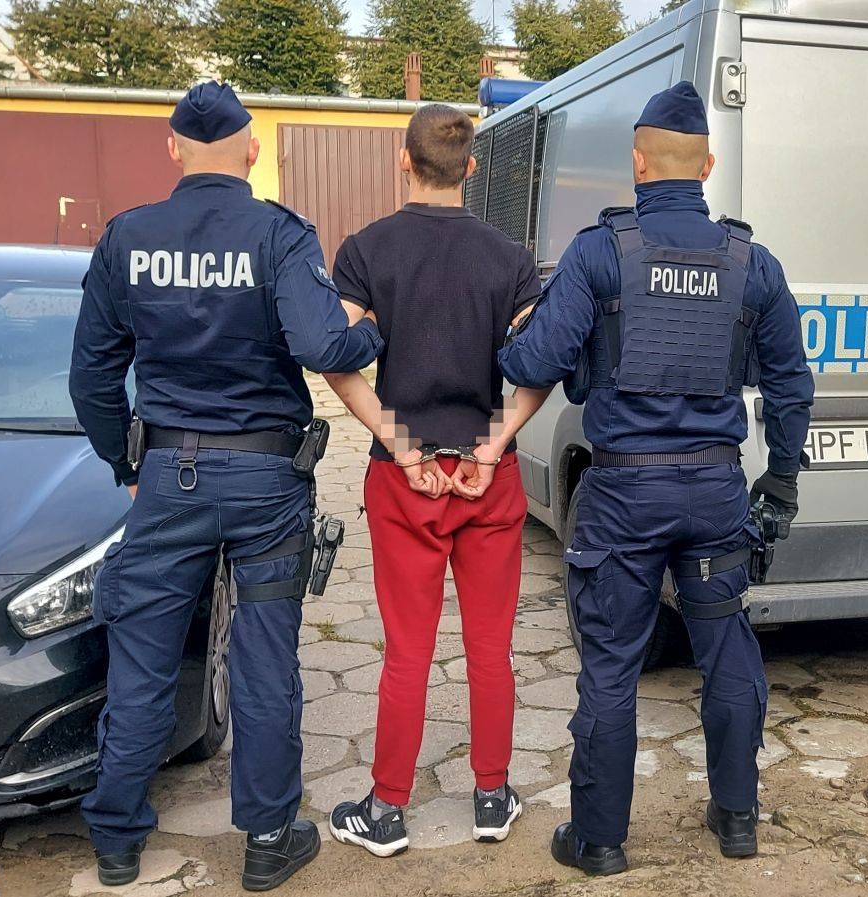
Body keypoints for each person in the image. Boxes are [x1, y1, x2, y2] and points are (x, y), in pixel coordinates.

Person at [69, 81, 383, 891]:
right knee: (266, 657)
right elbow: (325, 345)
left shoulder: (128, 237)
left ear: (172, 148)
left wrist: (125, 464)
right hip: (267, 483)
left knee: (142, 657)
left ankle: (116, 841)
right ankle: (270, 838)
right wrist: (374, 329)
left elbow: (91, 378)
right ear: (252, 148)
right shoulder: (278, 233)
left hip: (168, 477)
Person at [498, 81, 814, 873]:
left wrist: (514, 337)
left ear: (637, 164)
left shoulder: (600, 252)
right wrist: (780, 482)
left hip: (623, 498)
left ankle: (599, 840)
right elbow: (790, 385)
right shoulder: (752, 262)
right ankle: (737, 818)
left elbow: (535, 363)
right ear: (706, 166)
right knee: (727, 648)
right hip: (713, 493)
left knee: (611, 665)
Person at [317, 104, 543, 856]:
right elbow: (543, 361)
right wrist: (495, 441)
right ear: (471, 168)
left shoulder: (366, 250)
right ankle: (491, 796)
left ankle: (386, 809)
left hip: (404, 479)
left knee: (407, 651)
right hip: (487, 476)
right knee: (490, 646)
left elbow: (335, 356)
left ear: (403, 160)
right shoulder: (510, 257)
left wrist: (402, 444)